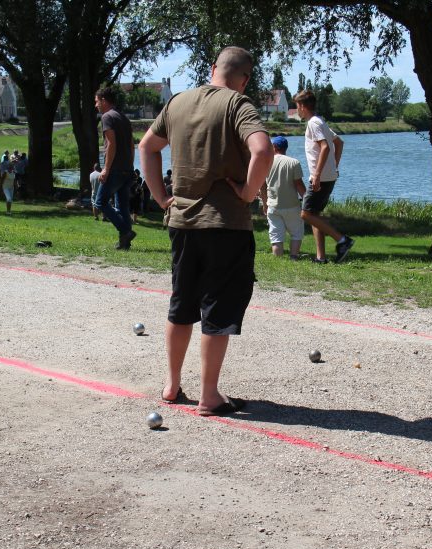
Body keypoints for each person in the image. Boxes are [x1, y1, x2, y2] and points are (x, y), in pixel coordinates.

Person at [139, 45, 273, 416]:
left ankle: (171, 384)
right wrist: (247, 193)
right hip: (225, 225)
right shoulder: (237, 105)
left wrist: (161, 196)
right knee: (218, 306)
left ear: (213, 68)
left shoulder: (178, 102)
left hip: (182, 222)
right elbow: (263, 151)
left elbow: (147, 147)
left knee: (181, 303)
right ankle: (210, 395)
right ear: (244, 79)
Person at [293, 90, 355, 263]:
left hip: (319, 177)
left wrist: (317, 174)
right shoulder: (321, 122)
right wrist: (334, 166)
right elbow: (338, 142)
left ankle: (342, 240)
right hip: (328, 176)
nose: (296, 109)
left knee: (305, 214)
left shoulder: (314, 123)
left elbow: (326, 147)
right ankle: (321, 257)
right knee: (315, 214)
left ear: (303, 106)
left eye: (297, 106)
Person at [93, 86, 137, 249]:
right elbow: (132, 145)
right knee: (122, 206)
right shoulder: (123, 118)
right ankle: (124, 243)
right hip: (126, 168)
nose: (96, 105)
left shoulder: (107, 117)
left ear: (104, 100)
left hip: (115, 169)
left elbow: (111, 144)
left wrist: (105, 169)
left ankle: (125, 231)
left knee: (101, 202)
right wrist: (131, 166)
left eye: (97, 101)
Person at [261, 135, 307, 259]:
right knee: (296, 233)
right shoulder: (294, 162)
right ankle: (293, 257)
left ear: (274, 147)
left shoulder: (266, 162)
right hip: (292, 205)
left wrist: (265, 204)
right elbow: (299, 185)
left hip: (273, 206)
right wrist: (308, 203)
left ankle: (278, 259)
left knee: (276, 235)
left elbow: (263, 186)